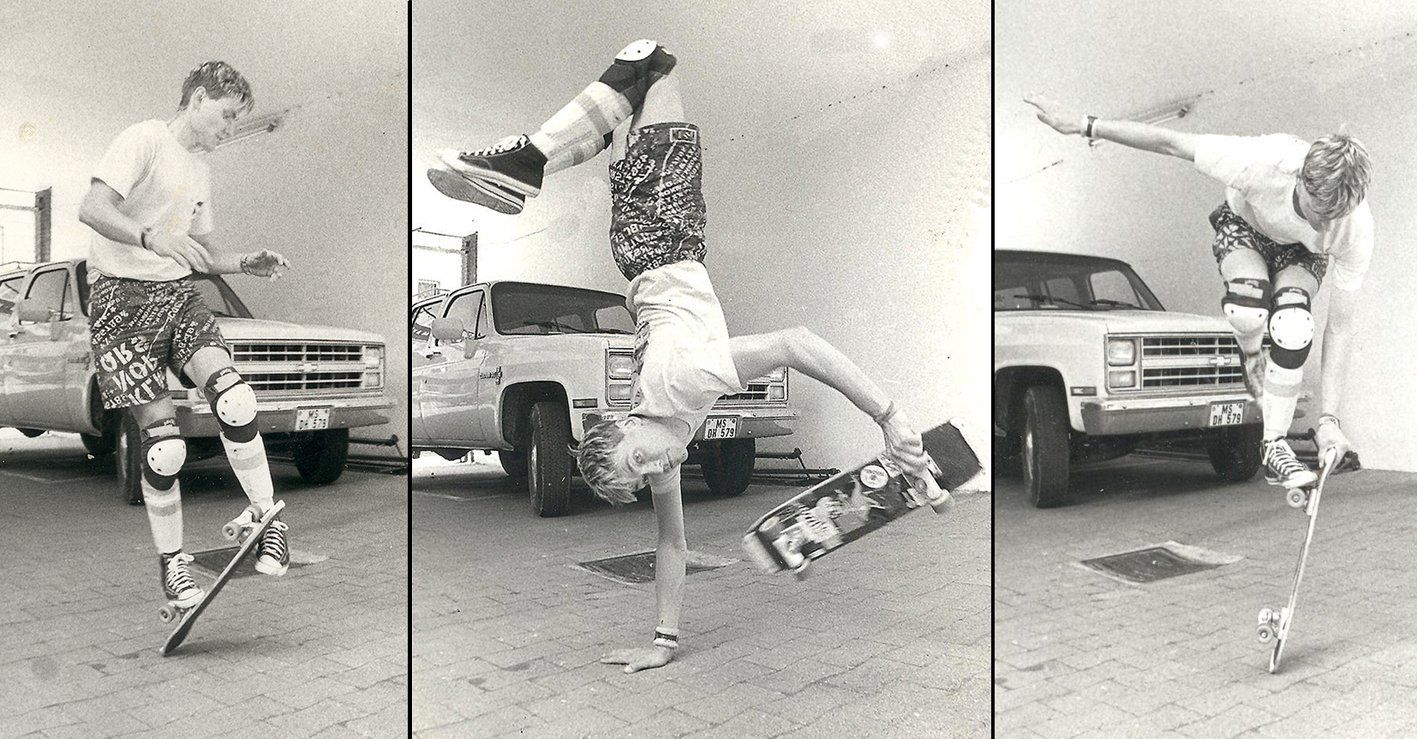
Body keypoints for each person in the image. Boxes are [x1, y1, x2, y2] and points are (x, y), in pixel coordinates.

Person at [429, 41, 942, 673]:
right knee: (634, 92)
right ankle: (527, 164)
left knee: (652, 62)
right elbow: (672, 542)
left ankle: (525, 162)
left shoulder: (679, 386)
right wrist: (661, 642)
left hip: (663, 224)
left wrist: (888, 418)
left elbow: (797, 343)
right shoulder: (658, 438)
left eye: (640, 460)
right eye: (647, 477)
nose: (660, 468)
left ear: (623, 425)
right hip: (644, 240)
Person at [1024, 94, 1369, 488]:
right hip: (1246, 229)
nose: (1325, 228)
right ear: (1300, 179)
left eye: (1334, 219)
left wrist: (1329, 420)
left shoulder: (1355, 230)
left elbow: (1339, 329)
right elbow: (1171, 142)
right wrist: (1086, 124)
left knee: (1294, 324)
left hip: (1301, 258)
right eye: (1316, 213)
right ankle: (1252, 354)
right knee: (1247, 309)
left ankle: (1273, 445)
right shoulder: (1260, 160)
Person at [78, 61, 293, 612]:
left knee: (235, 395)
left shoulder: (199, 171)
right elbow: (92, 208)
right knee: (167, 448)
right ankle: (173, 569)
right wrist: (151, 237)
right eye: (225, 116)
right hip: (119, 302)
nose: (228, 130)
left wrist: (245, 262)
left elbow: (201, 253)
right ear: (197, 100)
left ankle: (266, 518)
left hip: (176, 297)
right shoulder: (143, 139)